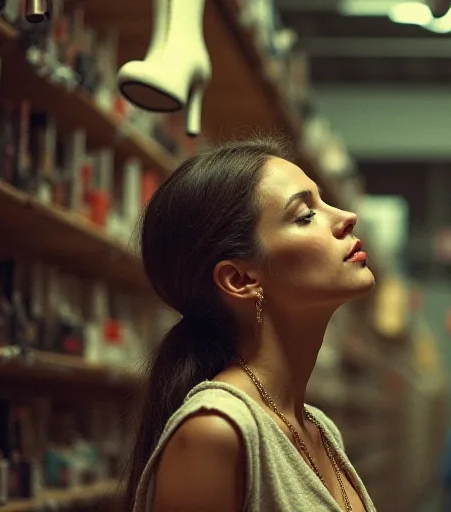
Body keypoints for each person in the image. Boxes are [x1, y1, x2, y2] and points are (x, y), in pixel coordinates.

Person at [121, 138, 376, 512]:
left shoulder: (319, 429)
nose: (345, 217)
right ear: (240, 279)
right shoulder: (217, 431)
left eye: (323, 202)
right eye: (306, 215)